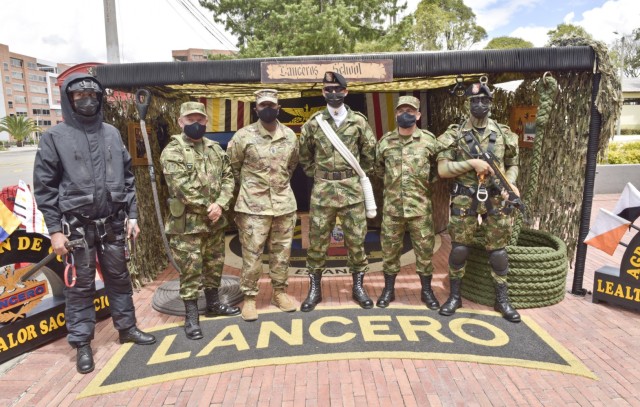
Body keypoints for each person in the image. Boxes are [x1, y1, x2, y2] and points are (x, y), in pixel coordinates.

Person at [33, 73, 156, 374]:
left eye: (92, 96)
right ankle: (82, 343)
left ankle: (127, 329)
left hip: (113, 224)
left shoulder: (112, 133)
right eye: (79, 97)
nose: (87, 101)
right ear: (70, 100)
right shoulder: (55, 138)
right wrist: (55, 231)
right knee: (80, 289)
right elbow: (45, 188)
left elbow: (128, 179)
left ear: (99, 99)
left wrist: (134, 215)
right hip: (76, 229)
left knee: (119, 280)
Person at [436, 81, 521, 323]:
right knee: (460, 249)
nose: (480, 104)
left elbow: (513, 163)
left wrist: (510, 184)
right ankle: (455, 297)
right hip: (465, 198)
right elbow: (443, 169)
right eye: (474, 101)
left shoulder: (504, 134)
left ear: (491, 103)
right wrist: (471, 164)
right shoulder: (454, 134)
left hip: (497, 198)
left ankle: (502, 300)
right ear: (467, 104)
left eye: (484, 100)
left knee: (498, 252)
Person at [160, 101, 240, 340]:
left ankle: (214, 304)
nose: (196, 124)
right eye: (190, 120)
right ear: (180, 122)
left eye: (200, 120)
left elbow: (229, 178)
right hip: (188, 225)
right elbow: (181, 187)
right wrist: (209, 207)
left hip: (215, 221)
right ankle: (192, 317)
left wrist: (221, 204)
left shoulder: (215, 149)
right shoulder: (172, 151)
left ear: (206, 121)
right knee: (191, 270)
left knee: (214, 265)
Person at [298, 71, 377, 311]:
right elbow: (304, 157)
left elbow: (369, 154)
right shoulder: (314, 123)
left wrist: (351, 176)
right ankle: (315, 290)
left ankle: (358, 287)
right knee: (317, 242)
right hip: (323, 193)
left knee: (356, 241)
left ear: (346, 91)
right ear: (323, 92)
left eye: (337, 89)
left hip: (352, 192)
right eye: (328, 89)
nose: (333, 93)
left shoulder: (359, 122)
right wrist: (323, 176)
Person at [227, 89, 299, 321]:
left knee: (281, 254)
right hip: (252, 208)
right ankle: (249, 298)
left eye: (272, 105)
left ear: (278, 108)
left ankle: (280, 293)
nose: (267, 109)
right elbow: (232, 168)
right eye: (263, 105)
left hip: (284, 206)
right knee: (251, 255)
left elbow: (291, 166)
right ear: (256, 109)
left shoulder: (289, 136)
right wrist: (251, 190)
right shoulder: (243, 136)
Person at [374, 96, 442, 309]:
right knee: (390, 251)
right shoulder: (385, 142)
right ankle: (388, 290)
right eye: (402, 110)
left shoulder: (430, 142)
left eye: (411, 111)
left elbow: (436, 172)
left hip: (420, 208)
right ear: (395, 114)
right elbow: (379, 170)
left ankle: (427, 291)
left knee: (424, 252)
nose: (406, 114)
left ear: (418, 115)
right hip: (393, 208)